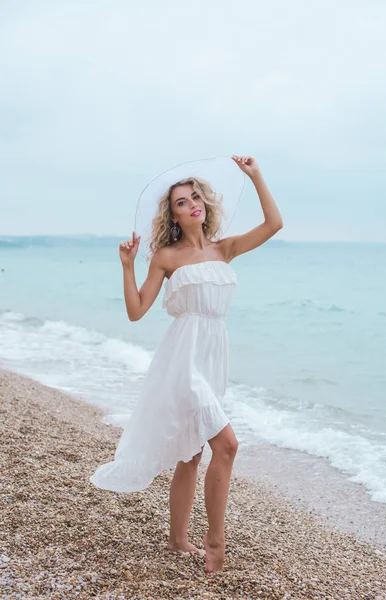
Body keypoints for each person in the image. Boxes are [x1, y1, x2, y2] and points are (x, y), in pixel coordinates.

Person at [90, 155, 283, 573]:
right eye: (182, 202)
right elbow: (137, 311)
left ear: (205, 203)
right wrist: (126, 267)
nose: (192, 203)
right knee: (227, 445)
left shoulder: (224, 248)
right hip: (182, 359)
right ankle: (215, 542)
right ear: (173, 215)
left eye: (196, 197)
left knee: (192, 453)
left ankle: (179, 540)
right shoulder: (166, 256)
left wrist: (255, 175)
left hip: (214, 355)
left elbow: (274, 225)